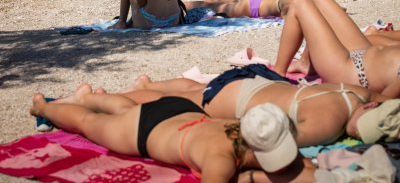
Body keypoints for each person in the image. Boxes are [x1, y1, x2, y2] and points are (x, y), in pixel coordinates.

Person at [29, 86, 308, 181]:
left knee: (126, 109)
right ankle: (42, 106)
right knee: (88, 124)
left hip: (179, 110)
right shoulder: (220, 159)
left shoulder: (241, 125)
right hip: (144, 131)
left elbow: (302, 167)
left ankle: (91, 96)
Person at [118, 68, 400, 149]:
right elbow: (267, 139)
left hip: (262, 78)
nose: (355, 132)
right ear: (371, 107)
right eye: (362, 125)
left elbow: (388, 99)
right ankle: (126, 96)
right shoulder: (327, 125)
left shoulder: (359, 94)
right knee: (184, 104)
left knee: (197, 90)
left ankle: (150, 83)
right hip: (240, 98)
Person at [273, 0, 400, 96]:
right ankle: (305, 63)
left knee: (299, 2)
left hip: (352, 73)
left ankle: (277, 74)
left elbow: (382, 102)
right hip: (364, 53)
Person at [185, 0, 312, 19]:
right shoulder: (294, 3)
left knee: (233, 2)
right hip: (253, 8)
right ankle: (185, 5)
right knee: (215, 9)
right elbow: (286, 15)